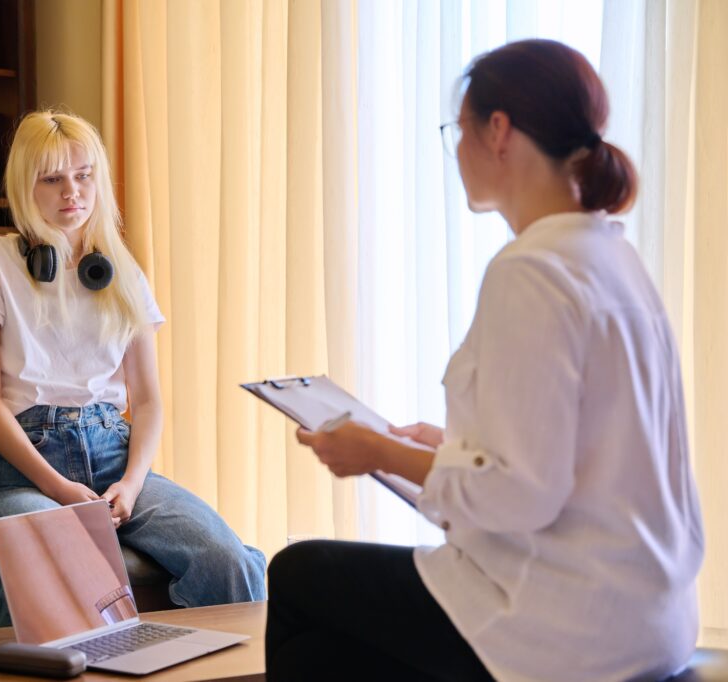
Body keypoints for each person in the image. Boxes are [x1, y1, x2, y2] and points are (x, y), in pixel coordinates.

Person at [266, 39, 704, 681]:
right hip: (654, 619)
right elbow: (579, 450)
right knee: (337, 629)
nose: (458, 150)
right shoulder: (614, 258)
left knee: (299, 575)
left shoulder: (531, 271)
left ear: (498, 131)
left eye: (459, 130)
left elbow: (520, 496)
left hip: (569, 625)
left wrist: (378, 453)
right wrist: (449, 446)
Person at [0, 110, 266, 628]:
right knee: (51, 553)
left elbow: (149, 399)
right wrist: (59, 488)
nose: (72, 191)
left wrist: (133, 485)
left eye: (84, 175)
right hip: (27, 470)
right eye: (52, 179)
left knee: (227, 560)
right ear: (26, 186)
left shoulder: (122, 272)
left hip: (116, 457)